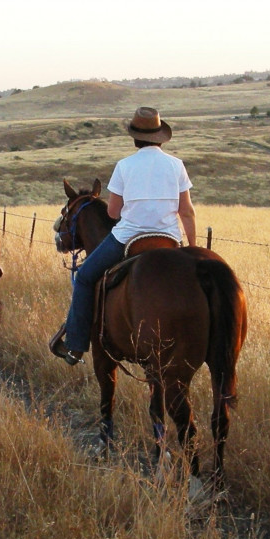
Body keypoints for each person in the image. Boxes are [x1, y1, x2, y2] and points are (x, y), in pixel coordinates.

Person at [49, 107, 196, 365]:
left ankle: (75, 346)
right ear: (160, 137)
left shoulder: (125, 166)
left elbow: (114, 212)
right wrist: (192, 250)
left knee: (84, 278)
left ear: (135, 137)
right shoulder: (176, 165)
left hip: (128, 239)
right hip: (169, 240)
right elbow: (187, 212)